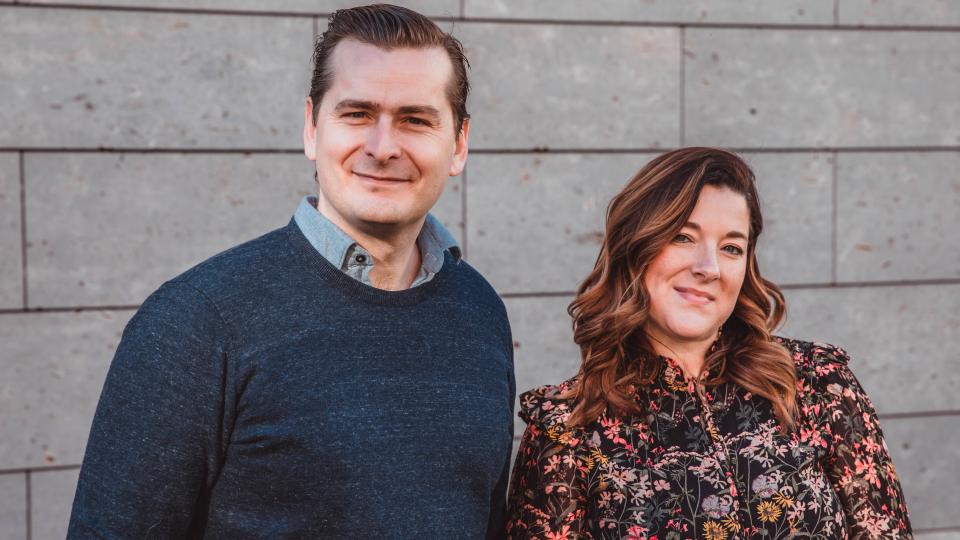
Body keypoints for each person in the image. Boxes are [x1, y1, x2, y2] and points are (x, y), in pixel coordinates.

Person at [68, 4, 515, 538]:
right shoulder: (197, 322)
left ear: (459, 143)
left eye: (415, 119)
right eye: (356, 114)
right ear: (311, 128)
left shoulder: (479, 310)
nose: (382, 147)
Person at [505, 148, 911, 538]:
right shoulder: (567, 433)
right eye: (683, 237)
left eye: (731, 248)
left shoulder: (817, 383)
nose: (708, 268)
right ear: (636, 248)